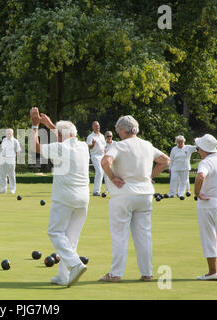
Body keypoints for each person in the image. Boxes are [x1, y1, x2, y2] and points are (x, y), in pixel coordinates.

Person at [100, 115, 170, 282]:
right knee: (144, 235)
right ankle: (147, 273)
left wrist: (112, 177)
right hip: (145, 195)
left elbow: (105, 162)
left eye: (118, 130)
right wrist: (149, 176)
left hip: (123, 194)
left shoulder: (119, 146)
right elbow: (165, 161)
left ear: (123, 130)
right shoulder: (147, 145)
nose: (117, 133)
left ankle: (116, 274)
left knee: (119, 235)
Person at [29, 107, 89, 287]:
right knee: (71, 239)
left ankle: (76, 263)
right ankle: (63, 276)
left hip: (64, 197)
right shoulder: (84, 146)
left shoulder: (60, 148)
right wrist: (49, 125)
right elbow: (65, 135)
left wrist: (34, 126)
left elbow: (35, 147)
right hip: (83, 199)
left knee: (55, 232)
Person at [194, 134, 217, 281]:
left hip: (208, 205)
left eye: (198, 148)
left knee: (209, 238)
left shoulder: (205, 163)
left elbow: (200, 177)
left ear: (203, 149)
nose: (198, 150)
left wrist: (198, 193)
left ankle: (212, 272)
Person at [0, 129, 21, 194]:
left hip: (11, 160)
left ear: (12, 134)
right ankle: (3, 189)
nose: (8, 134)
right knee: (2, 175)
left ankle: (12, 189)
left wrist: (15, 157)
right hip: (3, 160)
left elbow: (18, 151)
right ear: (5, 134)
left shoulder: (15, 141)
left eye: (10, 133)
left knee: (11, 175)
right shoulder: (4, 140)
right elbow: (2, 150)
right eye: (7, 133)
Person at [86, 121, 106, 196]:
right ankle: (96, 191)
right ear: (93, 127)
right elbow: (89, 147)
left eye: (98, 126)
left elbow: (104, 147)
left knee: (103, 173)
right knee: (99, 171)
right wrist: (93, 144)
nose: (97, 127)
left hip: (102, 155)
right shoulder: (90, 137)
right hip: (95, 155)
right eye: (96, 126)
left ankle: (100, 190)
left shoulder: (102, 136)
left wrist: (106, 154)